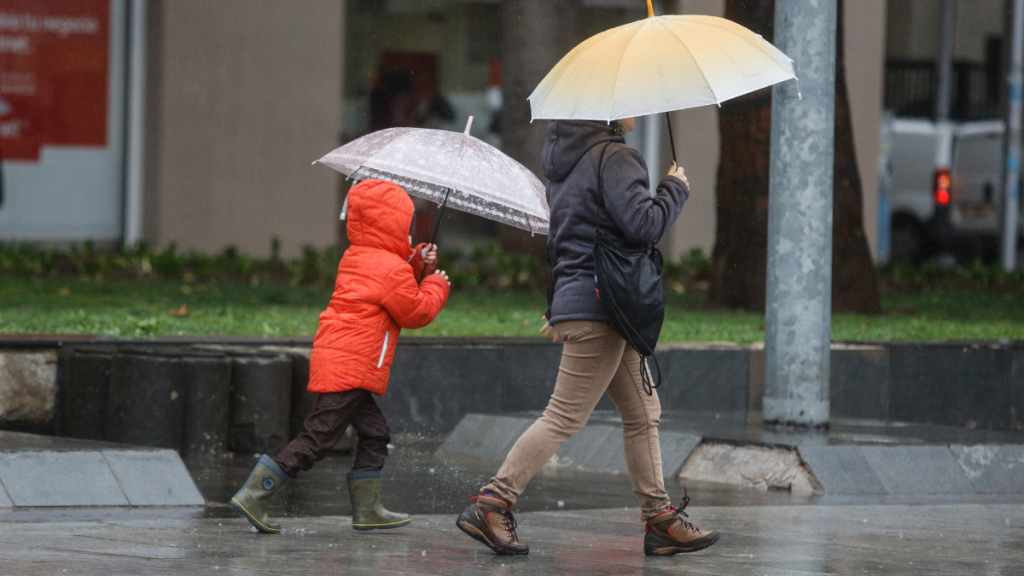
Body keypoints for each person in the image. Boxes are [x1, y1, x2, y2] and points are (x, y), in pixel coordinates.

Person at [456, 118, 718, 556]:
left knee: (642, 412)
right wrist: (674, 188)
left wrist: (558, 301)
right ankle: (493, 501)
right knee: (564, 417)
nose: (637, 110)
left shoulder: (566, 162)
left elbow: (561, 239)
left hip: (594, 304)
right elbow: (643, 226)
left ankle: (660, 520)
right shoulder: (616, 157)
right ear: (609, 111)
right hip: (604, 306)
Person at [231, 179, 451, 534]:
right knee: (318, 439)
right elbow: (415, 312)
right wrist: (436, 284)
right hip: (354, 365)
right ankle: (256, 494)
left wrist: (416, 258)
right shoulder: (390, 270)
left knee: (375, 433)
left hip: (341, 359)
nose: (410, 233)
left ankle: (368, 510)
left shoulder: (358, 256)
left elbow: (389, 274)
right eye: (407, 227)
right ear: (394, 224)